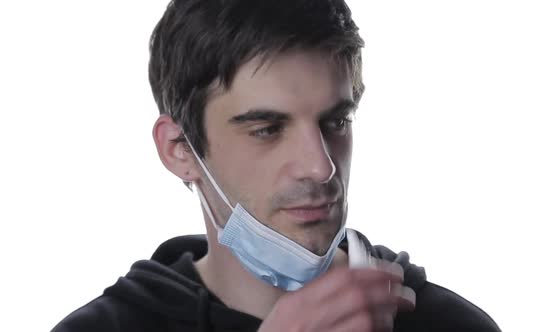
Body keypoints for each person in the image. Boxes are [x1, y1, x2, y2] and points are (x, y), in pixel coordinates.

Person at [52, 0, 501, 331]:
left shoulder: (451, 325)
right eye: (266, 128)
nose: (320, 167)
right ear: (179, 150)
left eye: (335, 121)